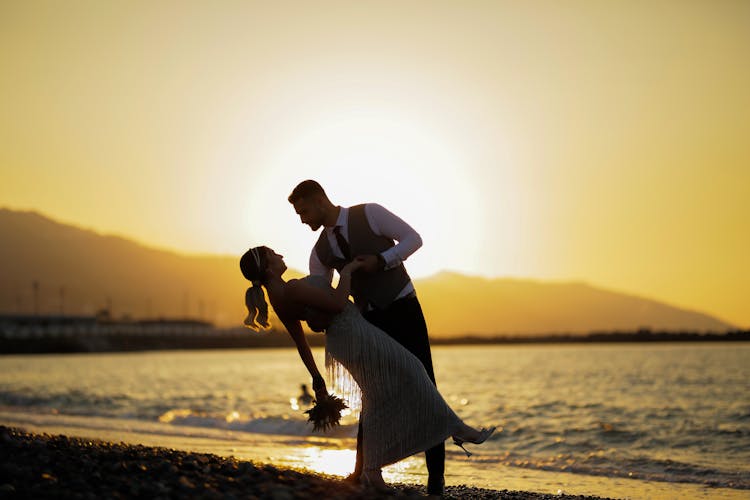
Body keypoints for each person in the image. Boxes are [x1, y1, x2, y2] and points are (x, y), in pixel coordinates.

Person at [240, 246, 495, 491]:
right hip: (352, 333)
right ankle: (455, 429)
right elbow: (339, 303)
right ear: (268, 267)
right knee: (413, 369)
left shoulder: (278, 297)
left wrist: (317, 378)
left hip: (346, 339)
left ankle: (373, 469)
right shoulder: (292, 290)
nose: (280, 255)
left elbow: (301, 342)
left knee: (376, 397)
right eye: (273, 254)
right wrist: (348, 272)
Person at [287, 180, 447, 494]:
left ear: (320, 200)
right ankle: (361, 470)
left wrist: (384, 259)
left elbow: (414, 239)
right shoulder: (319, 252)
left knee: (426, 387)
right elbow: (322, 296)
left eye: (304, 210)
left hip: (403, 308)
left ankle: (436, 480)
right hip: (367, 320)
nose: (302, 219)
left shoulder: (370, 214)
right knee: (372, 393)